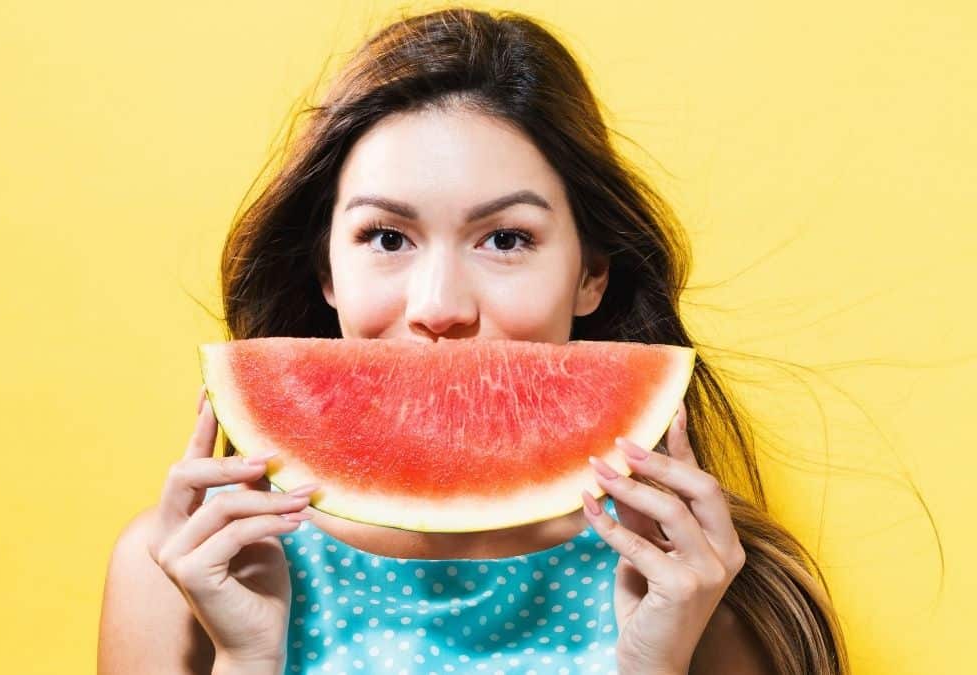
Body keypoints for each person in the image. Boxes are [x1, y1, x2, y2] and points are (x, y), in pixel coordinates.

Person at [98, 7, 849, 675]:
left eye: (506, 238)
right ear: (325, 268)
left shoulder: (710, 584)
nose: (439, 306)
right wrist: (246, 658)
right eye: (387, 236)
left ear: (590, 273)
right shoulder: (180, 570)